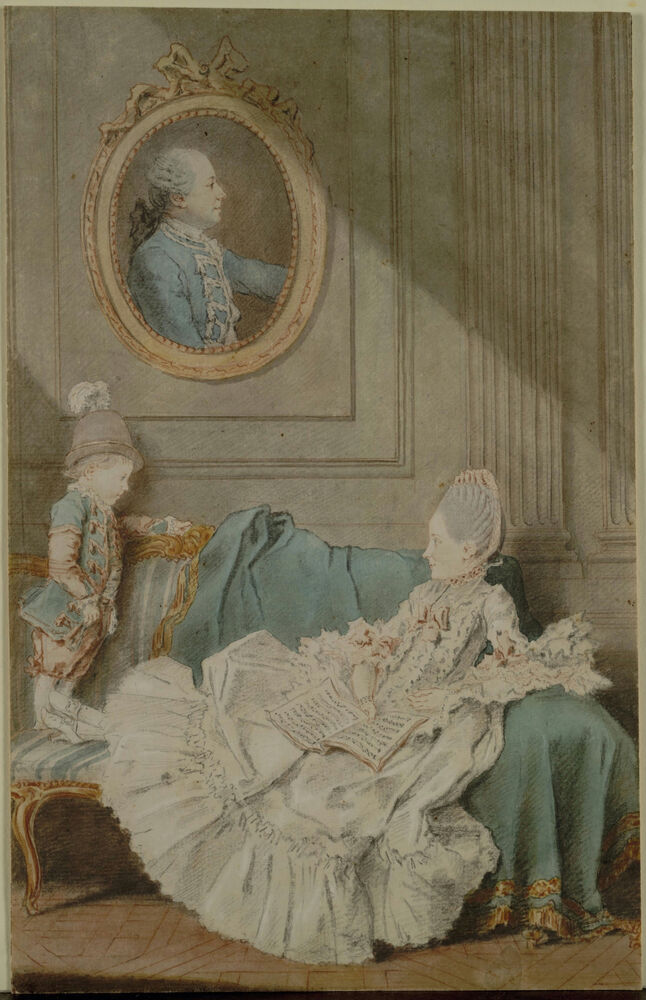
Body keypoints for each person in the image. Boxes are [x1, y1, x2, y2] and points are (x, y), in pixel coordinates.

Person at [99, 469, 611, 965]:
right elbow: (385, 643)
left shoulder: (492, 601)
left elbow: (514, 665)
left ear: (471, 550)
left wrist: (451, 694)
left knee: (343, 787)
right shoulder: (425, 593)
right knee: (282, 729)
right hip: (383, 697)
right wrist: (364, 678)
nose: (427, 552)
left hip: (435, 715)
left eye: (437, 542)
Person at [19, 381, 190, 742]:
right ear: (92, 471)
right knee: (53, 666)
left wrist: (162, 526)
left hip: (92, 612)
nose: (126, 487)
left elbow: (125, 528)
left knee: (75, 667)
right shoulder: (71, 506)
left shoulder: (104, 511)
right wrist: (86, 598)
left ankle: (64, 711)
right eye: (121, 477)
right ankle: (45, 718)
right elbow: (61, 565)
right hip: (64, 609)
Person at [127, 147, 288, 348]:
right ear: (179, 198)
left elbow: (262, 278)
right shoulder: (156, 259)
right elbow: (184, 351)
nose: (222, 193)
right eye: (210, 185)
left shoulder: (202, 248)